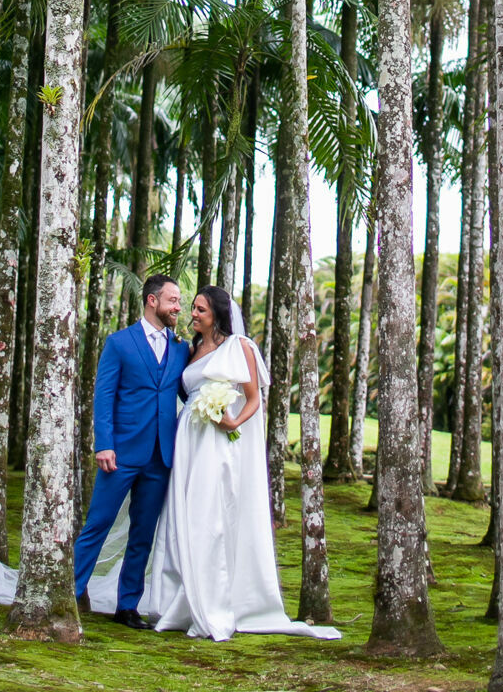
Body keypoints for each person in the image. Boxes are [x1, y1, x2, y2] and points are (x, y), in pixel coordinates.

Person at [91, 285, 340, 643]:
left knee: (209, 517)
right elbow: (174, 390)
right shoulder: (188, 350)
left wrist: (233, 421)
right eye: (190, 307)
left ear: (217, 315)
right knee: (178, 516)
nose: (191, 313)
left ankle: (211, 600)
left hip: (214, 445)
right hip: (184, 443)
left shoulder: (240, 347)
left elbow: (253, 399)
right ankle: (173, 599)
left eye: (200, 310)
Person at [72, 272, 188, 628]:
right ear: (152, 300)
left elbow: (189, 393)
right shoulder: (119, 343)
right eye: (173, 300)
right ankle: (71, 593)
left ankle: (127, 606)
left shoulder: (181, 348)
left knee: (143, 533)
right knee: (98, 523)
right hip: (120, 453)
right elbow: (104, 396)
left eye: (179, 301)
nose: (178, 307)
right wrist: (104, 445)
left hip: (161, 456)